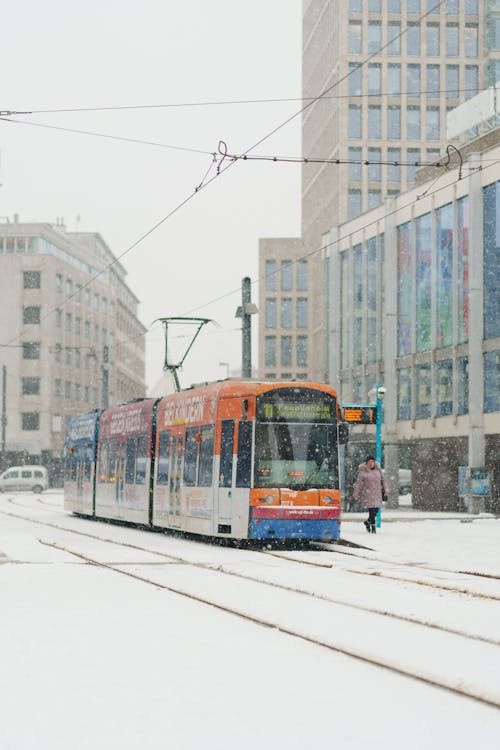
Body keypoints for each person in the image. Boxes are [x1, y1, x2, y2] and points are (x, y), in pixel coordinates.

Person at [352, 455, 388, 534]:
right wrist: (356, 494)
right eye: (369, 462)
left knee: (376, 511)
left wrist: (386, 489)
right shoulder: (362, 472)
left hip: (377, 494)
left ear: (374, 462)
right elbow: (358, 484)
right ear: (366, 463)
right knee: (371, 511)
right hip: (368, 494)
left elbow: (383, 480)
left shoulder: (378, 470)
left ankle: (367, 522)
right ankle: (373, 529)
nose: (371, 463)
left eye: (372, 461)